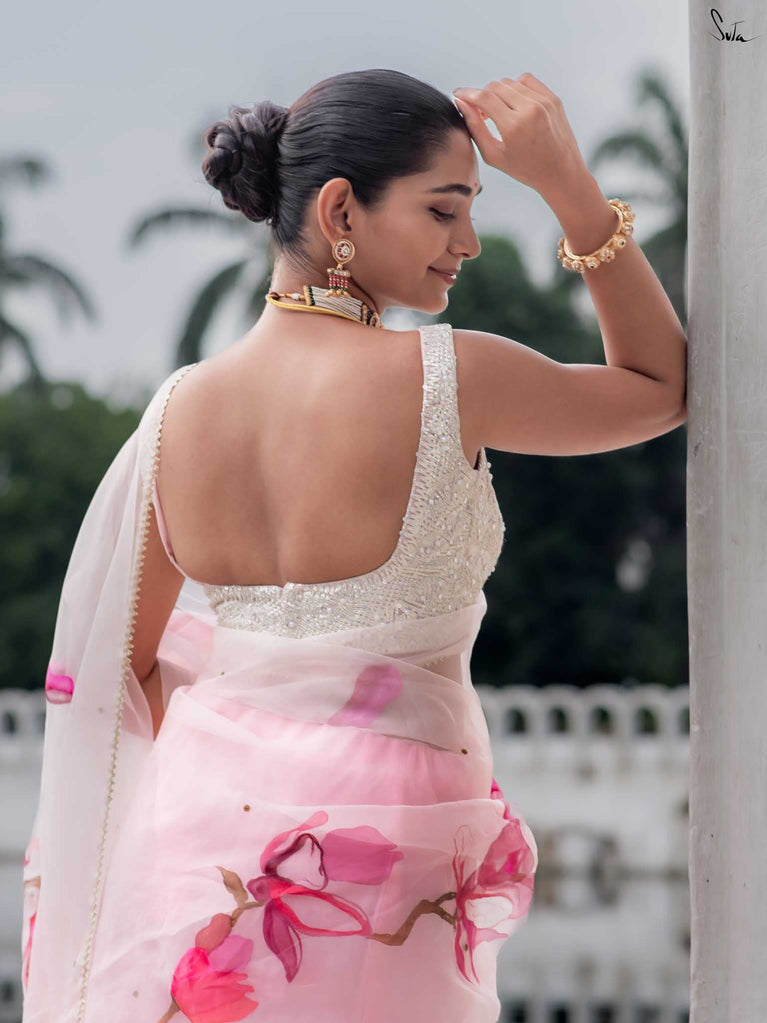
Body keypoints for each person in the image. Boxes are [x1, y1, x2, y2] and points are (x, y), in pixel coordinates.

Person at [20, 68, 687, 1022]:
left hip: (209, 844)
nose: (468, 242)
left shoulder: (175, 414)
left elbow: (120, 669)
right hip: (381, 860)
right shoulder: (451, 377)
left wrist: (261, 722)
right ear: (340, 210)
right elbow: (659, 386)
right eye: (442, 209)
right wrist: (569, 187)